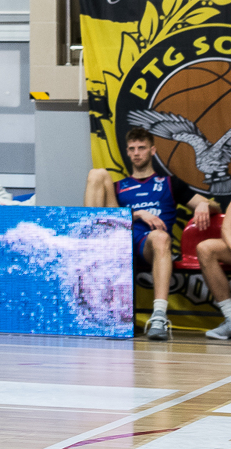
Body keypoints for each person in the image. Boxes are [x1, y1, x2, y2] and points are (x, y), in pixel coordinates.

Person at [84, 127, 215, 341]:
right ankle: (88, 257)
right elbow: (110, 219)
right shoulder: (118, 187)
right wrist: (138, 214)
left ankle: (159, 317)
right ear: (127, 152)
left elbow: (214, 206)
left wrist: (204, 205)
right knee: (97, 174)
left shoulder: (170, 183)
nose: (136, 153)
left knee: (160, 237)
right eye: (132, 149)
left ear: (152, 150)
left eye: (141, 148)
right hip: (121, 242)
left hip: (151, 246)